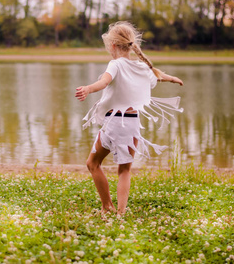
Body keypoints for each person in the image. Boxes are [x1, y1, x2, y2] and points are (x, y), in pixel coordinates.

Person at [75, 21, 183, 216]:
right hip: (132, 124)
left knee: (93, 164)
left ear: (113, 46)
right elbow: (157, 75)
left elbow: (104, 81)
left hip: (115, 122)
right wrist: (173, 78)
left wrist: (88, 89)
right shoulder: (142, 67)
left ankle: (107, 205)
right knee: (124, 170)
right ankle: (121, 213)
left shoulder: (115, 64)